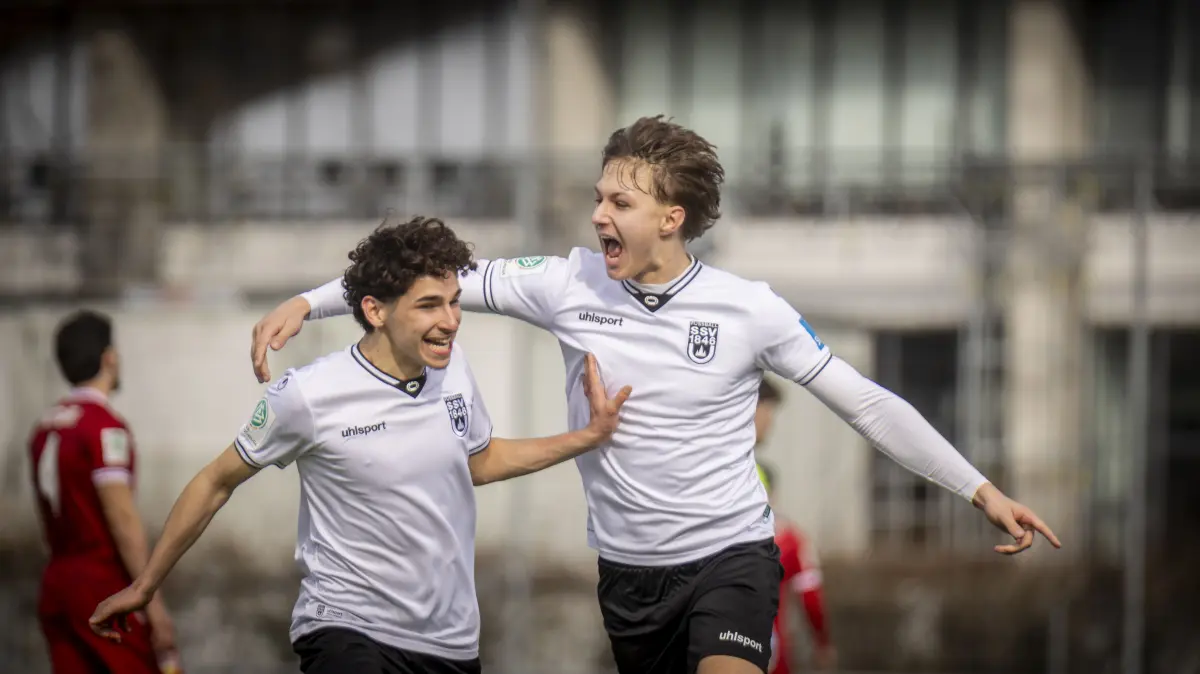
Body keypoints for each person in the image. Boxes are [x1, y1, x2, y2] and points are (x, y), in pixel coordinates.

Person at [250, 117, 1061, 674]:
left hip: (730, 557)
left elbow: (866, 401)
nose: (598, 213)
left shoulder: (751, 310)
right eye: (599, 197)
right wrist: (308, 301)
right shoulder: (565, 283)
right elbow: (428, 280)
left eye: (619, 203)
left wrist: (979, 489)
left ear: (670, 218)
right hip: (630, 576)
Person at [88, 217, 631, 674]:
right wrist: (146, 585)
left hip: (450, 642)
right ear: (375, 311)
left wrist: (585, 437)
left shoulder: (454, 370)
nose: (450, 322)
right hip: (347, 630)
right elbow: (214, 481)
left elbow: (480, 461)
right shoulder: (307, 395)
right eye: (428, 307)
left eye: (454, 303)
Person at [29, 309, 181, 674]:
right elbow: (121, 517)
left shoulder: (45, 427)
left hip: (57, 582)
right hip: (102, 584)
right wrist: (152, 602)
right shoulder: (104, 428)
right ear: (109, 357)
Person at [754, 380, 835, 674]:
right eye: (768, 411)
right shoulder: (789, 538)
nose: (770, 422)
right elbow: (811, 597)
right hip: (759, 648)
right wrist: (824, 644)